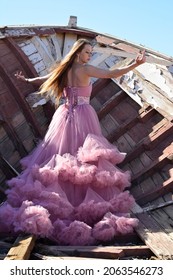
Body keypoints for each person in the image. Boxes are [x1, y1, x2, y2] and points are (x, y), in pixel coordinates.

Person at [0, 39, 146, 245]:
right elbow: (112, 74)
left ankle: (60, 201)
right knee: (83, 161)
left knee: (59, 157)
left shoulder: (63, 69)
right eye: (87, 52)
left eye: (91, 52)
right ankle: (78, 204)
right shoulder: (85, 69)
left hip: (64, 114)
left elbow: (45, 78)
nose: (90, 55)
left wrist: (27, 79)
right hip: (83, 115)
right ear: (78, 53)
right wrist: (136, 64)